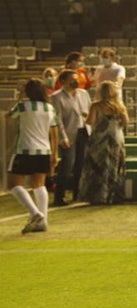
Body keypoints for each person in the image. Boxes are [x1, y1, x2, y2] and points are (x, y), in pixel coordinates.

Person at [6, 79, 58, 233]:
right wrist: (55, 153)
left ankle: (35, 214)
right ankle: (43, 221)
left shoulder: (23, 106)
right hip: (44, 150)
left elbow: (8, 117)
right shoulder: (50, 108)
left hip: (25, 149)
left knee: (13, 184)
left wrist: (20, 97)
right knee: (39, 184)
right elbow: (54, 131)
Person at [77, 80, 128, 205]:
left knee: (98, 167)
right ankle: (114, 195)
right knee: (114, 166)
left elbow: (90, 121)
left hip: (100, 139)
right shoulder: (119, 106)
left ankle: (98, 196)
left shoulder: (96, 106)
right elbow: (126, 121)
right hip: (116, 138)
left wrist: (85, 115)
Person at [48, 70, 91, 207]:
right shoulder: (57, 97)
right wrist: (62, 137)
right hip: (68, 134)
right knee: (67, 165)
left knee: (80, 165)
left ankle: (78, 194)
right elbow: (57, 119)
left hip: (84, 131)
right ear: (63, 81)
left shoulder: (83, 94)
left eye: (77, 78)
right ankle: (59, 196)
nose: (76, 81)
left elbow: (90, 111)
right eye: (73, 79)